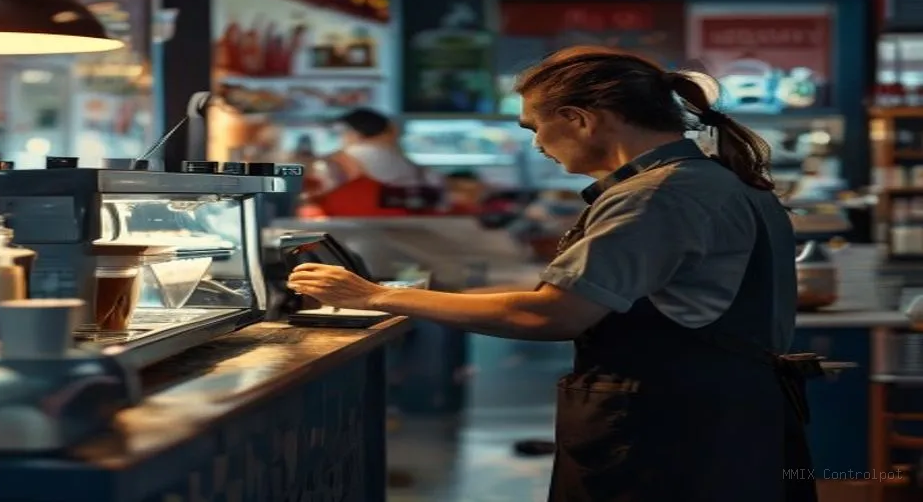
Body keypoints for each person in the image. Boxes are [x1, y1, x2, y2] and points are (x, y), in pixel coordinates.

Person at [289, 47, 819, 501]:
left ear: (580, 119)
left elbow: (551, 312)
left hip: (670, 436)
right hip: (724, 421)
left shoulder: (656, 196)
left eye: (535, 126)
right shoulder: (709, 180)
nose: (537, 143)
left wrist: (378, 295)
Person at [300, 108, 444, 217]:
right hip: (406, 228)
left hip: (353, 224)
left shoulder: (340, 160)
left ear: (353, 133)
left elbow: (316, 192)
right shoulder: (409, 164)